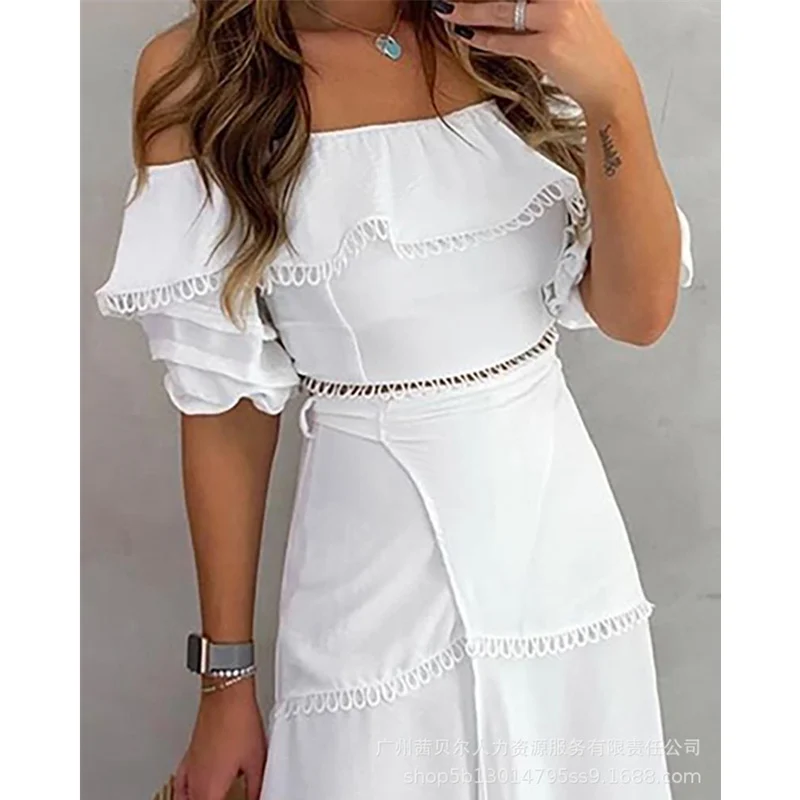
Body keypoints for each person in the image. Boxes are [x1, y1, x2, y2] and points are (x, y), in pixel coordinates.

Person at [95, 1, 694, 798]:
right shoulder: (199, 74)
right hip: (365, 598)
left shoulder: (517, 24)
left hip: (563, 569)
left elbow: (639, 312)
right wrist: (225, 682)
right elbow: (224, 406)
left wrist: (612, 91)